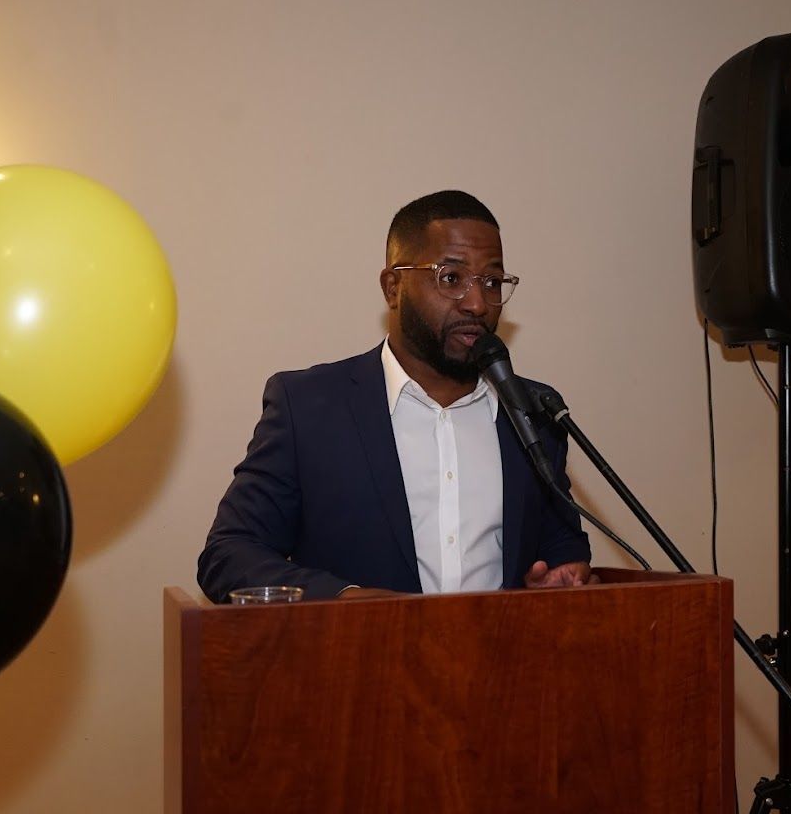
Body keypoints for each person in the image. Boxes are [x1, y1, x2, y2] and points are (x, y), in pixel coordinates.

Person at [197, 190, 592, 601]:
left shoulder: (534, 411)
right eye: (451, 278)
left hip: (502, 662)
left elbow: (561, 544)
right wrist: (345, 599)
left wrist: (563, 572)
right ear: (392, 288)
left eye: (492, 282)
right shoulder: (308, 407)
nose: (478, 303)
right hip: (358, 660)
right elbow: (229, 554)